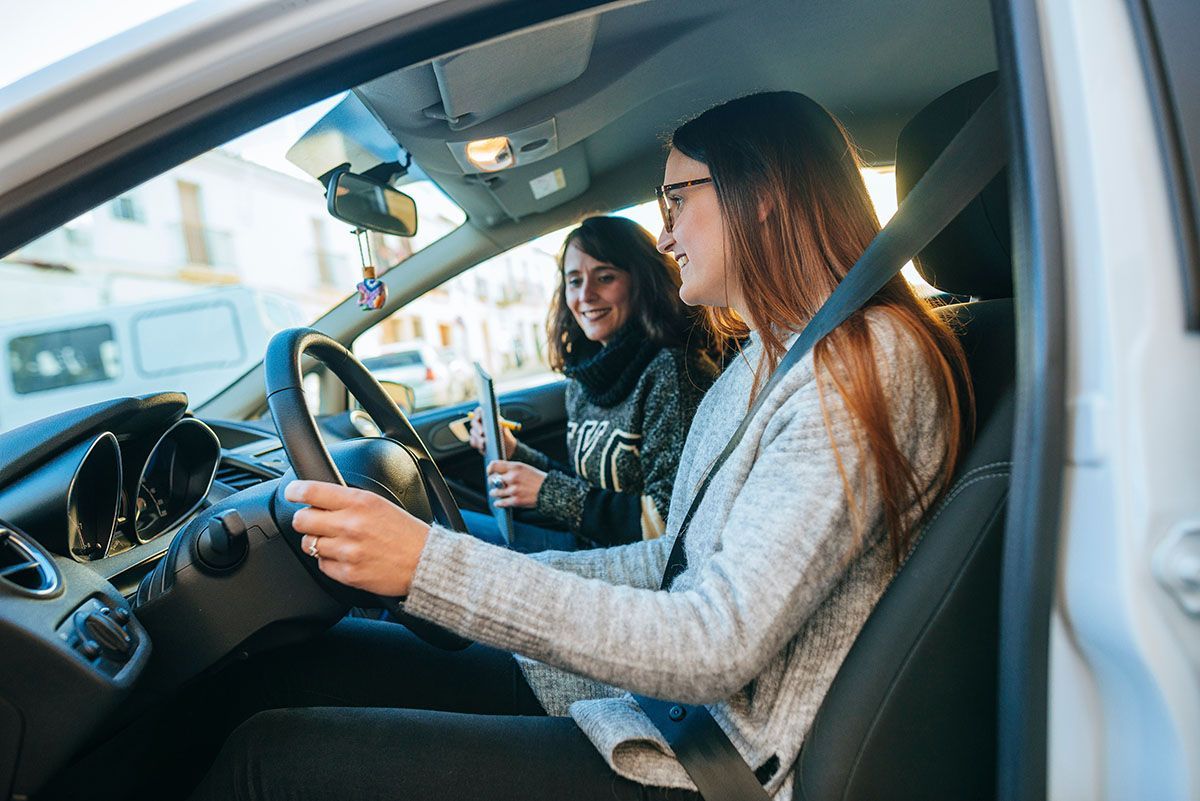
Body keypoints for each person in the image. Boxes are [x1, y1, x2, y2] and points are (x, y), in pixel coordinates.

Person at [190, 91, 973, 801]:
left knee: (271, 756)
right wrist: (458, 566)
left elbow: (715, 640)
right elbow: (668, 561)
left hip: (702, 760)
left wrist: (432, 566)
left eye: (676, 197)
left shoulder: (869, 362)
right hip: (660, 708)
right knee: (298, 667)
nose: (664, 233)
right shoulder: (774, 358)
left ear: (760, 194)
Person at [462, 215, 718, 553]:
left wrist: (546, 491)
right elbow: (593, 488)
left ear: (641, 282)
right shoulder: (584, 378)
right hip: (586, 547)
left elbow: (671, 522)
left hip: (631, 568)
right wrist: (513, 451)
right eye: (574, 280)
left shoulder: (674, 372)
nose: (586, 295)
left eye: (605, 277)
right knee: (445, 524)